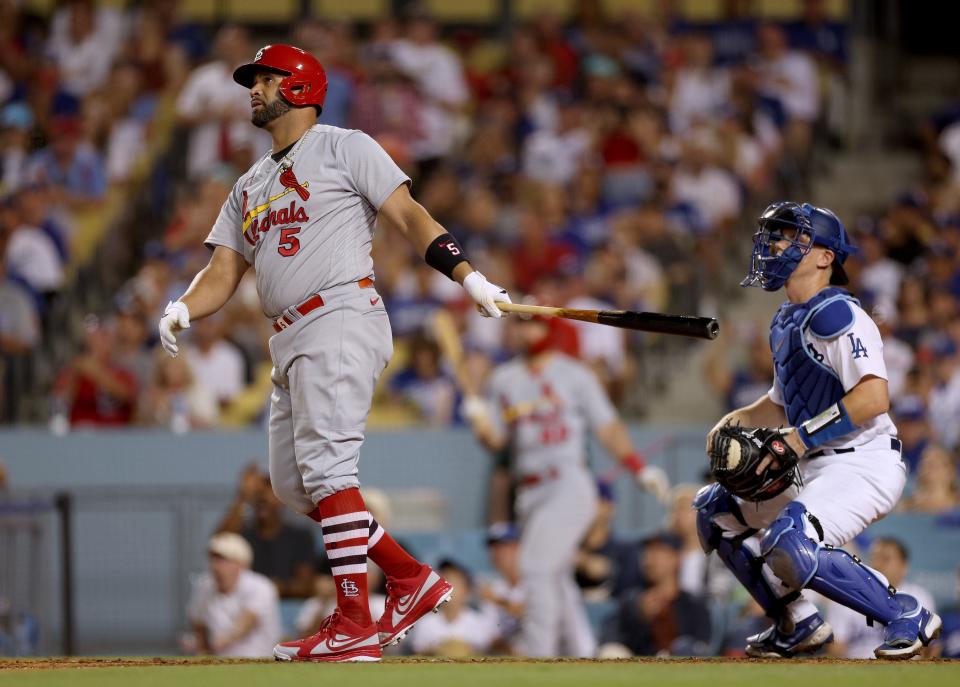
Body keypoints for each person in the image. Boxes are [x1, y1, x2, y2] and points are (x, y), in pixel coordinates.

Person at [157, 44, 512, 662]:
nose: (253, 89)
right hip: (288, 336)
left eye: (264, 79)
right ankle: (408, 578)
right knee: (297, 488)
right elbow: (223, 269)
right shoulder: (248, 183)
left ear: (298, 87)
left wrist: (468, 277)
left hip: (339, 314)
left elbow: (407, 213)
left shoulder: (346, 146)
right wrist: (184, 305)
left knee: (329, 476)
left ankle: (355, 622)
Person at [696, 201, 942, 659]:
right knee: (715, 513)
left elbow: (873, 397)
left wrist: (797, 437)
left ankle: (906, 613)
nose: (775, 243)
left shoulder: (838, 314)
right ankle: (797, 622)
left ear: (826, 255)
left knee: (791, 540)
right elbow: (779, 403)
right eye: (775, 234)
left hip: (864, 461)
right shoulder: (787, 320)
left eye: (791, 236)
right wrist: (737, 419)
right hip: (813, 462)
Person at [462, 311, 669, 657]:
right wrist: (478, 419)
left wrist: (638, 468)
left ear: (549, 325)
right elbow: (497, 443)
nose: (527, 329)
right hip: (527, 491)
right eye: (521, 322)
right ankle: (582, 653)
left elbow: (608, 427)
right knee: (555, 577)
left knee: (535, 567)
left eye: (533, 321)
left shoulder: (574, 375)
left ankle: (537, 654)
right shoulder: (504, 378)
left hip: (568, 484)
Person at [599, 532, 713, 657]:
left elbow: (701, 644)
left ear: (676, 557)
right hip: (640, 668)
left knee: (685, 647)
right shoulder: (632, 600)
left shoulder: (692, 603)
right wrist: (641, 618)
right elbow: (612, 640)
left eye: (657, 551)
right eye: (646, 552)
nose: (649, 559)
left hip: (681, 667)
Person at [826, 537, 937, 659]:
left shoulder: (919, 597)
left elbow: (930, 648)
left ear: (904, 566)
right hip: (858, 671)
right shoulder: (845, 598)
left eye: (886, 559)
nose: (877, 564)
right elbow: (836, 649)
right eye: (874, 557)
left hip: (907, 671)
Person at [217, 465, 316, 598]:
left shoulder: (300, 537)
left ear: (282, 499)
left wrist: (268, 588)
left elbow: (305, 586)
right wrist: (243, 496)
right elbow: (219, 543)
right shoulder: (243, 536)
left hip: (288, 608)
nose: (262, 498)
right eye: (258, 492)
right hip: (247, 605)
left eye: (269, 491)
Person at [186, 532, 282, 658]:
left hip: (258, 662)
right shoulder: (205, 585)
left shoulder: (261, 586)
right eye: (212, 559)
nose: (214, 566)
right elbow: (197, 621)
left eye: (222, 560)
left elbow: (243, 625)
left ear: (241, 564)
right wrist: (202, 649)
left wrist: (209, 644)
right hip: (218, 663)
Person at [408, 559, 498, 657]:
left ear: (466, 591)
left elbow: (486, 654)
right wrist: (437, 650)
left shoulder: (479, 623)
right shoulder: (425, 623)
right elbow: (418, 654)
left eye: (454, 583)